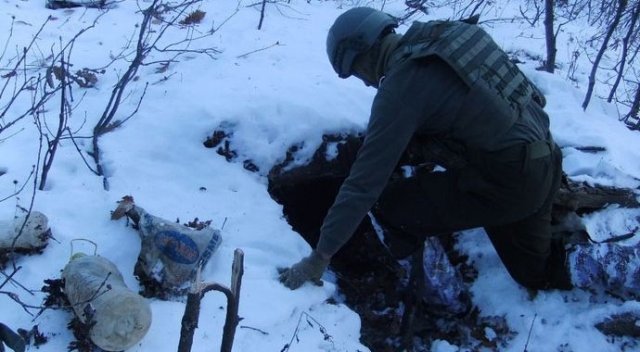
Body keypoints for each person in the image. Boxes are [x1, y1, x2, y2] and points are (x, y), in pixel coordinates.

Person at [278, 7, 639, 310]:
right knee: (537, 272)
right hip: (545, 158)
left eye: (355, 70)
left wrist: (320, 256)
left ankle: (439, 298)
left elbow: (362, 185)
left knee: (392, 208)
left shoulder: (401, 88)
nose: (362, 81)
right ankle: (624, 262)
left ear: (364, 51)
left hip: (507, 180)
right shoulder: (449, 34)